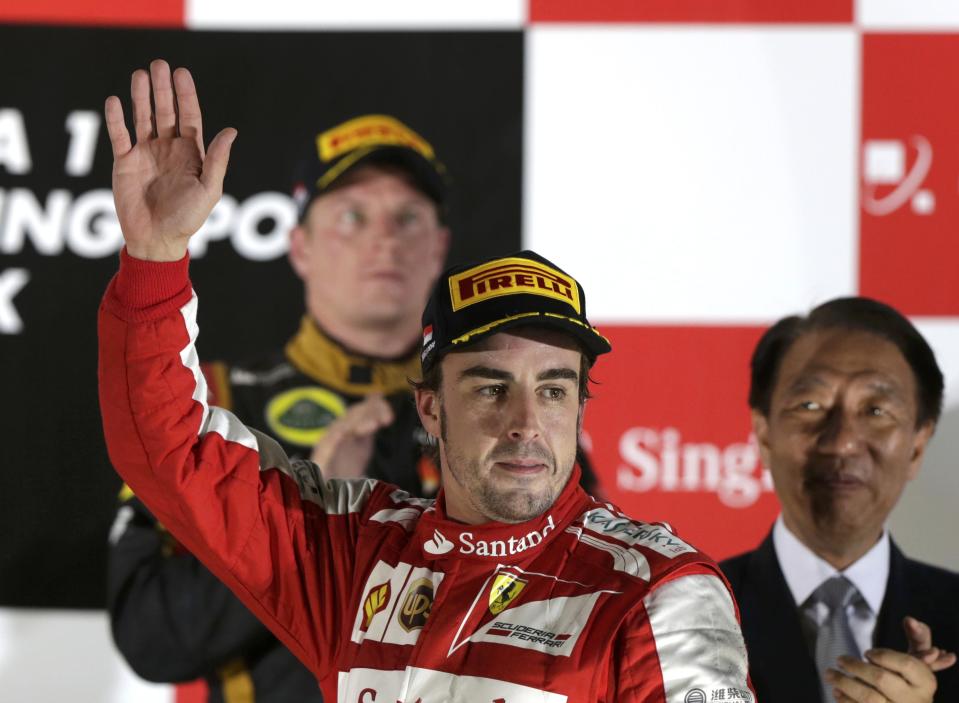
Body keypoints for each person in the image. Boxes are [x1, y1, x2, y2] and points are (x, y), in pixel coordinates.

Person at [99, 59, 752, 702]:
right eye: (491, 387)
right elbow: (168, 448)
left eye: (553, 388)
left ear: (580, 407)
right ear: (431, 408)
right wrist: (155, 258)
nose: (525, 420)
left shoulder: (656, 592)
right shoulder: (352, 552)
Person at [106, 109, 453, 701]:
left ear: (440, 246)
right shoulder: (206, 399)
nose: (384, 239)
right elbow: (153, 636)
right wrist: (316, 510)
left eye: (407, 217)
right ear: (300, 248)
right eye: (352, 215)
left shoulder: (493, 416)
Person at [720, 297, 959, 703]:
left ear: (918, 445)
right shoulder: (686, 611)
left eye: (877, 410)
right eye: (810, 405)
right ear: (764, 436)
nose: (842, 442)